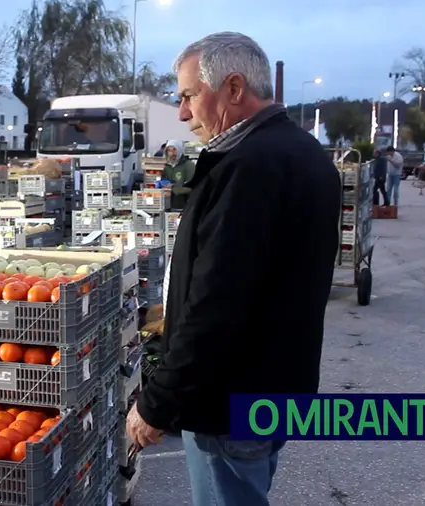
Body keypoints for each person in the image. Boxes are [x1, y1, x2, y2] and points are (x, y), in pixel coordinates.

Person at [126, 31, 340, 506]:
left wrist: (157, 403)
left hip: (230, 398)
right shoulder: (303, 154)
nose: (182, 114)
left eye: (188, 96)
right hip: (275, 384)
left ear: (234, 88)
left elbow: (216, 304)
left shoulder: (249, 168)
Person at [161, 139, 195, 210]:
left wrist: (173, 188)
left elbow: (192, 187)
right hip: (167, 206)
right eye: (169, 150)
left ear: (179, 150)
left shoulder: (188, 165)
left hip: (184, 206)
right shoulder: (166, 167)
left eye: (174, 150)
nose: (172, 153)